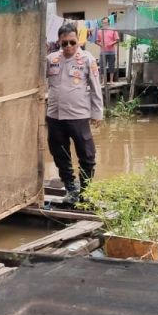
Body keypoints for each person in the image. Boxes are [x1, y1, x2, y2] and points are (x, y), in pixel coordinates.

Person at [47, 22, 104, 203]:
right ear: (59, 43)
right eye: (64, 43)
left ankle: (85, 190)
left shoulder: (88, 59)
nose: (69, 47)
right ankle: (71, 190)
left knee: (87, 154)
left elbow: (96, 87)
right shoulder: (51, 60)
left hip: (78, 115)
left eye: (72, 42)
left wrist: (97, 113)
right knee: (60, 154)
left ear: (77, 41)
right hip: (55, 116)